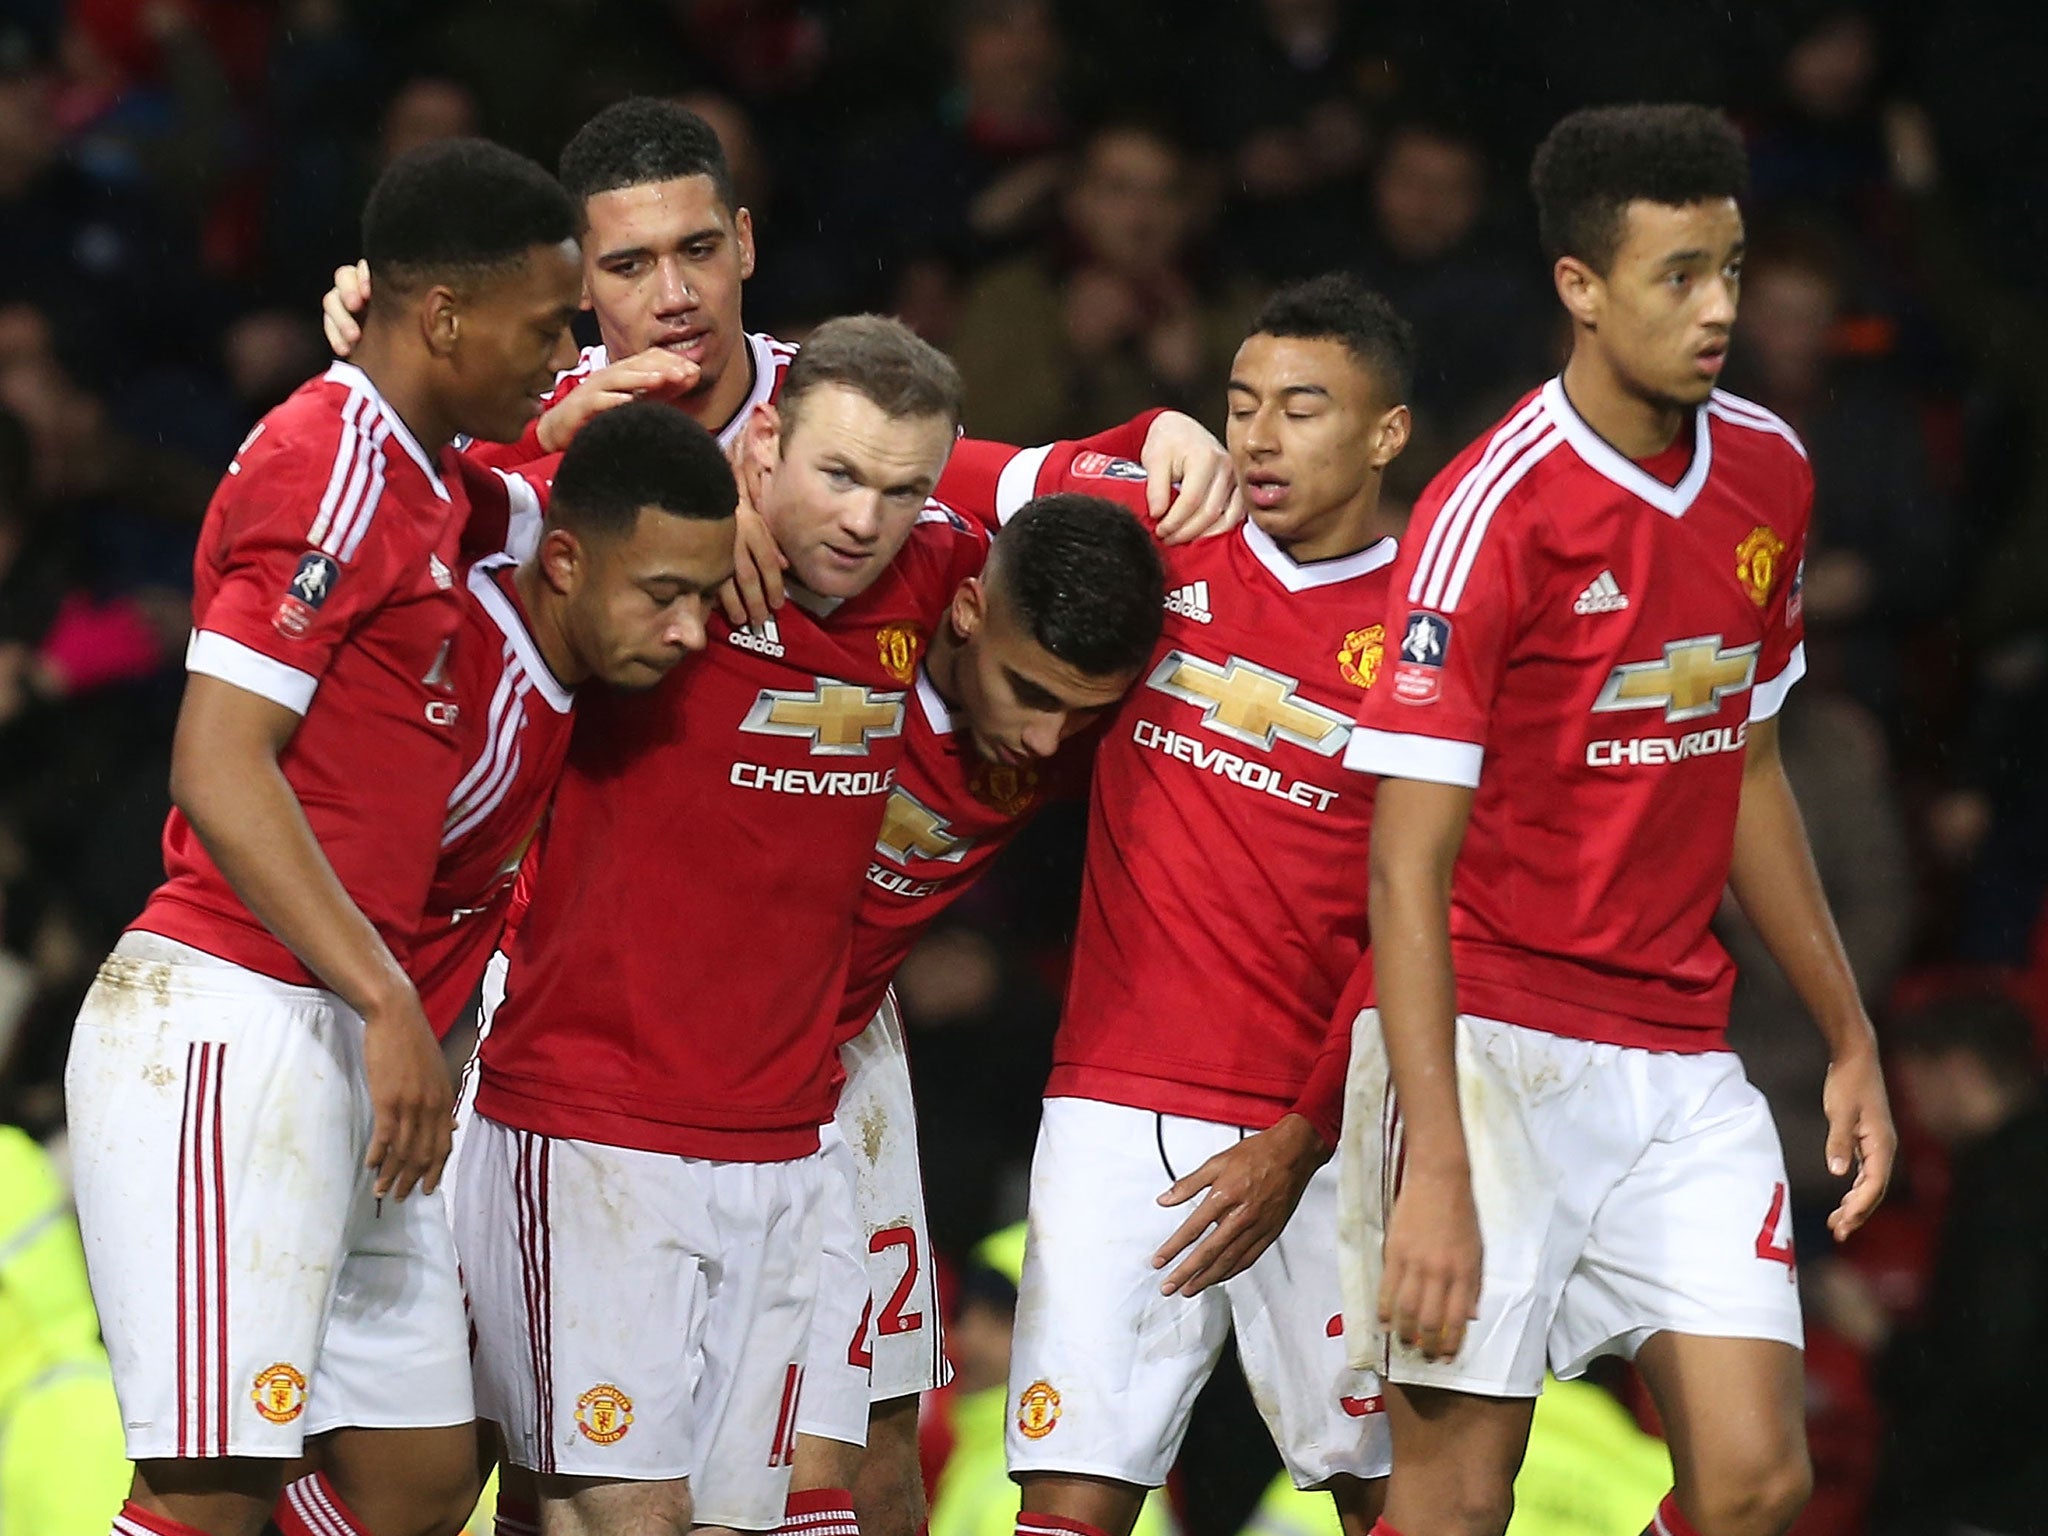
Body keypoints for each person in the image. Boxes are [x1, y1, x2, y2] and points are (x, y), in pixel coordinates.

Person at [1339, 104, 1896, 1536]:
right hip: (1490, 1049)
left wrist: (1846, 1031)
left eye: (1730, 267)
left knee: (1762, 1483)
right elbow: (1405, 873)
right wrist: (1438, 1172)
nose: (1718, 310)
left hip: (1677, 1060)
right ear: (1580, 289)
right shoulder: (1490, 514)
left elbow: (1746, 766)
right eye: (1678, 277)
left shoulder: (1770, 469)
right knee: (1455, 1505)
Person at [63, 137, 582, 1536]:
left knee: (414, 1485)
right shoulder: (330, 461)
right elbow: (219, 764)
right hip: (231, 1021)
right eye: (548, 327)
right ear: (446, 317)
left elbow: (574, 479)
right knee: (209, 1489)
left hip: (352, 1035)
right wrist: (383, 993)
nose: (561, 355)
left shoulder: (428, 481)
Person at [951, 273, 1415, 1536]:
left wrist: (1305, 1132)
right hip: (1112, 1100)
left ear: (1386, 432)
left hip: (1322, 1131)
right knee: (1067, 1501)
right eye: (1240, 403)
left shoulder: (1437, 627)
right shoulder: (1161, 531)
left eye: (1302, 409)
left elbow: (1419, 918)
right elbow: (925, 464)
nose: (1259, 437)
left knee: (1401, 1504)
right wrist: (1128, 435)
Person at [410, 400, 738, 1043]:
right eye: (663, 596)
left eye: (708, 595)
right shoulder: (464, 695)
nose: (692, 633)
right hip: (278, 1033)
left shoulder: (556, 583)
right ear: (562, 562)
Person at [1871, 985, 2048, 1536]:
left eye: (1914, 1081)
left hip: (1995, 1498)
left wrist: (1884, 1341)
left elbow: (1992, 1360)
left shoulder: (2005, 1186)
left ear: (1959, 1070)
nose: (1910, 1104)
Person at [927, 1225, 1175, 1536]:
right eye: (967, 1314)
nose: (969, 1337)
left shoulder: (1061, 1485)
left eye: (1001, 1320)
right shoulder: (982, 1458)